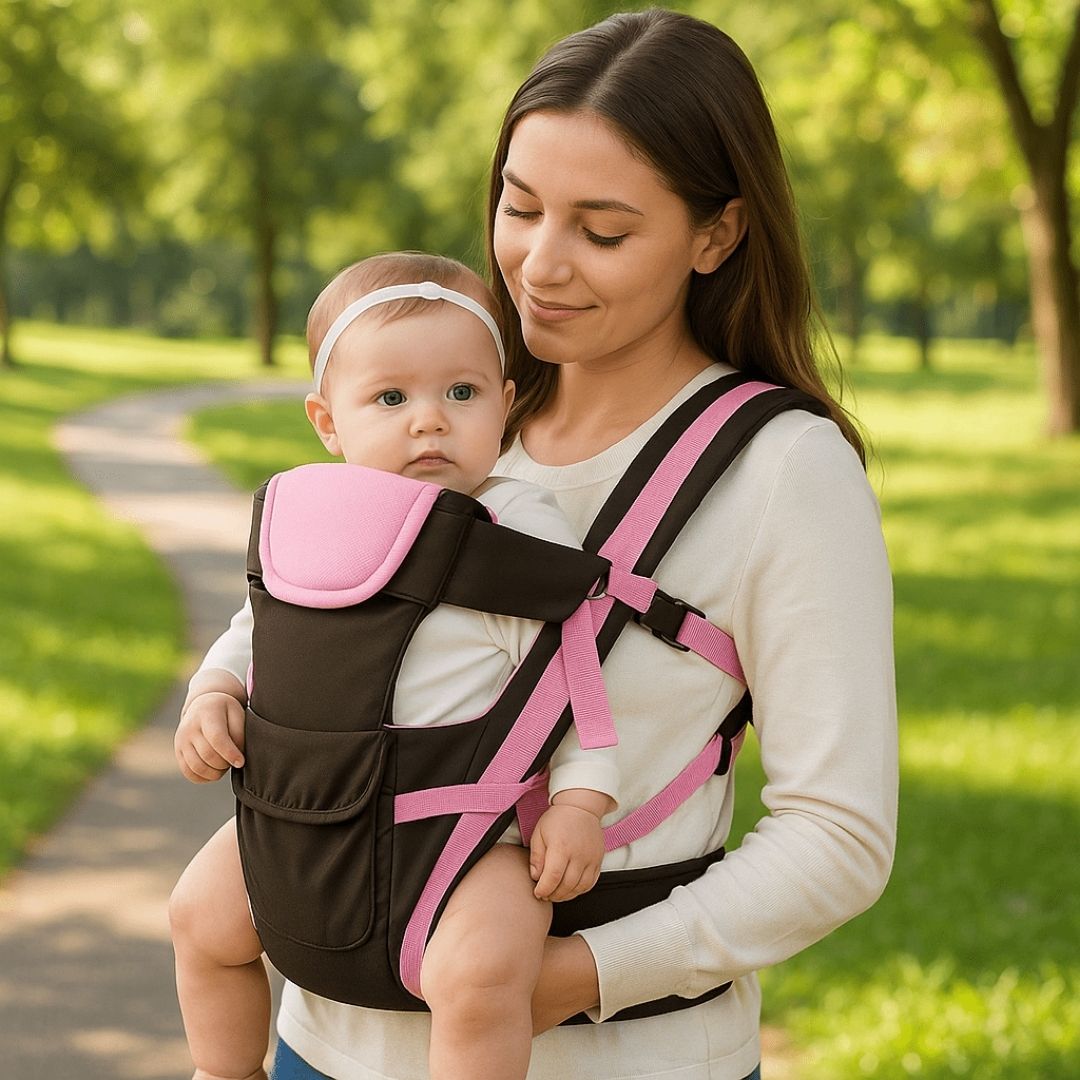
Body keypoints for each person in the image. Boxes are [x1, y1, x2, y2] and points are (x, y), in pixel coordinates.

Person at [194, 9, 898, 1080]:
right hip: (321, 1042)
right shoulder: (445, 417)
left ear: (717, 233)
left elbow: (839, 837)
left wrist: (568, 976)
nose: (539, 265)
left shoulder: (782, 471)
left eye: (602, 231)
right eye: (518, 208)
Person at [169, 251, 620, 1080]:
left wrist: (582, 802)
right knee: (200, 920)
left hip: (458, 828)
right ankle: (226, 1070)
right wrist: (214, 690)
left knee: (485, 978)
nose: (430, 421)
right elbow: (259, 625)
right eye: (390, 397)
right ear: (327, 422)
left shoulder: (512, 527)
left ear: (505, 403)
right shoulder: (313, 516)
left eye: (462, 392)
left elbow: (576, 673)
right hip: (306, 813)